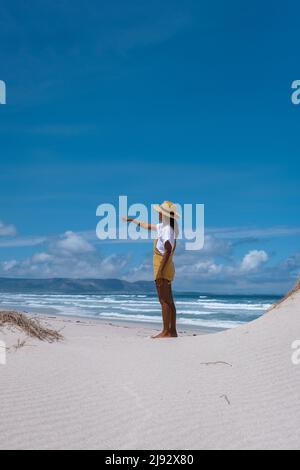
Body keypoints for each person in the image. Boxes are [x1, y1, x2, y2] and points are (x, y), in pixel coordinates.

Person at [123, 201, 180, 338]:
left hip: (163, 265)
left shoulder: (167, 229)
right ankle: (172, 331)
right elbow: (147, 226)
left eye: (161, 212)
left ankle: (166, 331)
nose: (158, 214)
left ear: (166, 215)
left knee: (164, 301)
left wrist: (160, 272)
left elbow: (167, 250)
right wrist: (132, 220)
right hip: (166, 266)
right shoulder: (164, 226)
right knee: (169, 301)